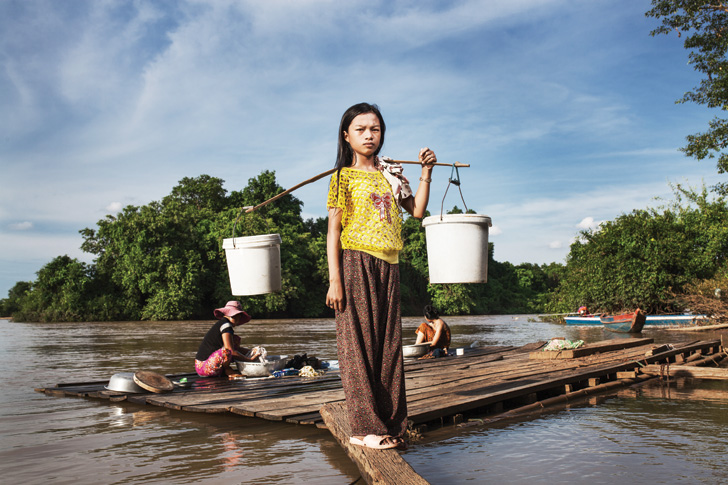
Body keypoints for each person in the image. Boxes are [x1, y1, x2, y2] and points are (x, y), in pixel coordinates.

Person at [326, 102, 437, 450]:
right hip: (355, 262)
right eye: (361, 129)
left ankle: (391, 423)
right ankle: (363, 429)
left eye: (375, 129)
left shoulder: (391, 174)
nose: (369, 135)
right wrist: (335, 279)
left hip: (389, 265)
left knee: (389, 348)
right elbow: (333, 230)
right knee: (357, 346)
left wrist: (426, 172)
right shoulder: (342, 176)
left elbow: (417, 211)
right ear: (347, 135)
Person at [195, 300, 261, 379]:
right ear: (235, 315)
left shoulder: (223, 323)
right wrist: (249, 360)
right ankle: (227, 370)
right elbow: (230, 350)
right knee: (226, 351)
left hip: (204, 366)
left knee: (235, 340)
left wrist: (251, 351)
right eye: (239, 315)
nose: (239, 318)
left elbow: (236, 349)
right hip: (204, 368)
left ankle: (226, 369)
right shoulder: (226, 325)